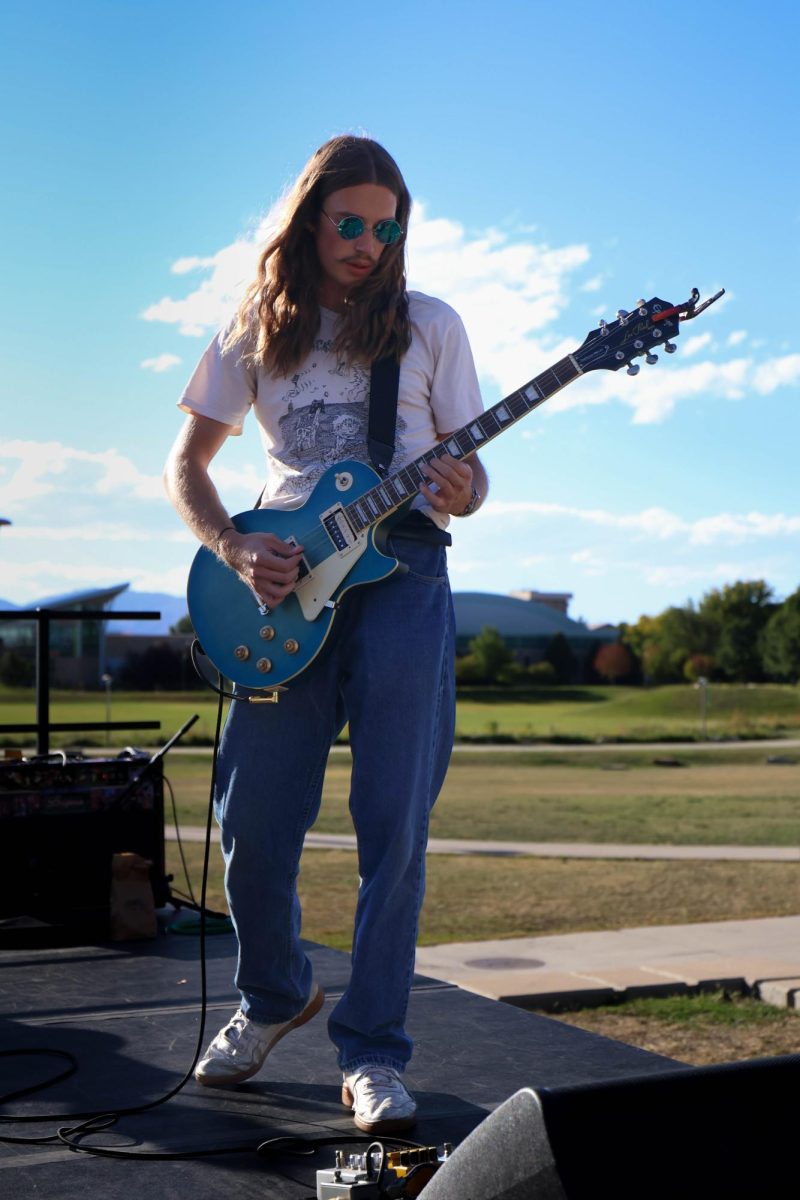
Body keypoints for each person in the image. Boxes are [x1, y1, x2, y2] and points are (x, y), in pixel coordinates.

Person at [164, 135, 488, 1134]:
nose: (368, 243)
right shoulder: (253, 330)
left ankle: (373, 1054)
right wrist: (231, 548)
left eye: (385, 228)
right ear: (309, 220)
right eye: (350, 223)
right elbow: (187, 467)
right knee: (251, 828)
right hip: (276, 592)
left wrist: (461, 486)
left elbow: (471, 487)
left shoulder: (428, 325)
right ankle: (272, 997)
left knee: (393, 831)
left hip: (404, 576)